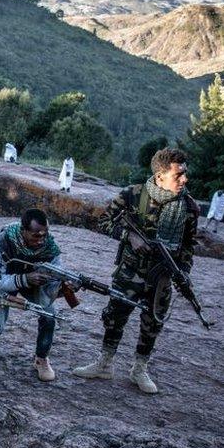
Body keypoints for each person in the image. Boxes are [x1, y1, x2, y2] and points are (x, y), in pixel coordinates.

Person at [72, 148, 199, 394]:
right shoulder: (133, 195)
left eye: (185, 174)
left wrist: (182, 272)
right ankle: (104, 363)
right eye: (178, 175)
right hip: (130, 272)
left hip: (161, 276)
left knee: (153, 323)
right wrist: (128, 235)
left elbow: (188, 246)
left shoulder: (189, 207)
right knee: (115, 316)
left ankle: (139, 369)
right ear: (160, 175)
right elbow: (104, 221)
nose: (184, 180)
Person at [0, 209, 63, 381]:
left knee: (49, 315)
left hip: (35, 283)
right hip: (6, 281)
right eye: (35, 236)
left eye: (44, 235)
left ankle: (41, 358)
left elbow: (53, 284)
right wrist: (24, 279)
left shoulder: (51, 247)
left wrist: (62, 287)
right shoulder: (3, 242)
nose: (40, 240)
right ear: (23, 230)